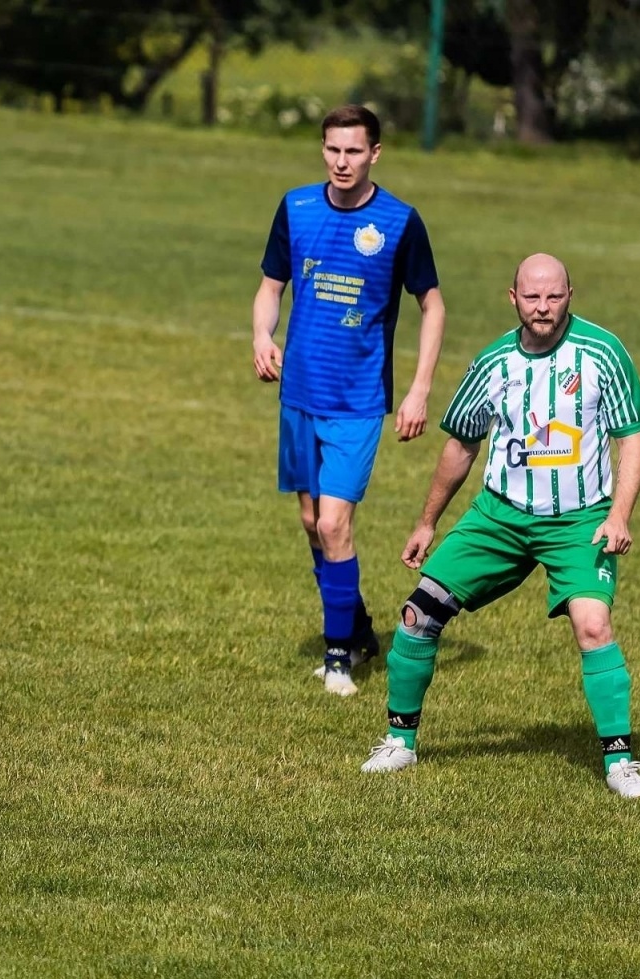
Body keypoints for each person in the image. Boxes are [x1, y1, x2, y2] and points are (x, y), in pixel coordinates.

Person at [360, 253, 640, 799]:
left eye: (554, 296)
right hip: (499, 517)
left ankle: (620, 761)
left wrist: (619, 515)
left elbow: (631, 436)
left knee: (593, 625)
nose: (543, 307)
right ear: (513, 298)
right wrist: (428, 522)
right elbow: (461, 444)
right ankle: (399, 741)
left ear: (571, 294)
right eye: (532, 297)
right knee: (417, 615)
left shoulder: (603, 353)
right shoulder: (494, 364)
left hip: (580, 521)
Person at [253, 103, 446, 697]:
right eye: (333, 150)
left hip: (359, 400)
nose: (342, 162)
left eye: (354, 151)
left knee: (335, 521)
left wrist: (418, 389)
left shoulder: (398, 222)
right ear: (324, 150)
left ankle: (339, 658)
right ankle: (359, 631)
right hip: (299, 396)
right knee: (313, 522)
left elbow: (432, 306)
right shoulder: (296, 207)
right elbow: (269, 287)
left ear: (374, 154)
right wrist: (262, 333)